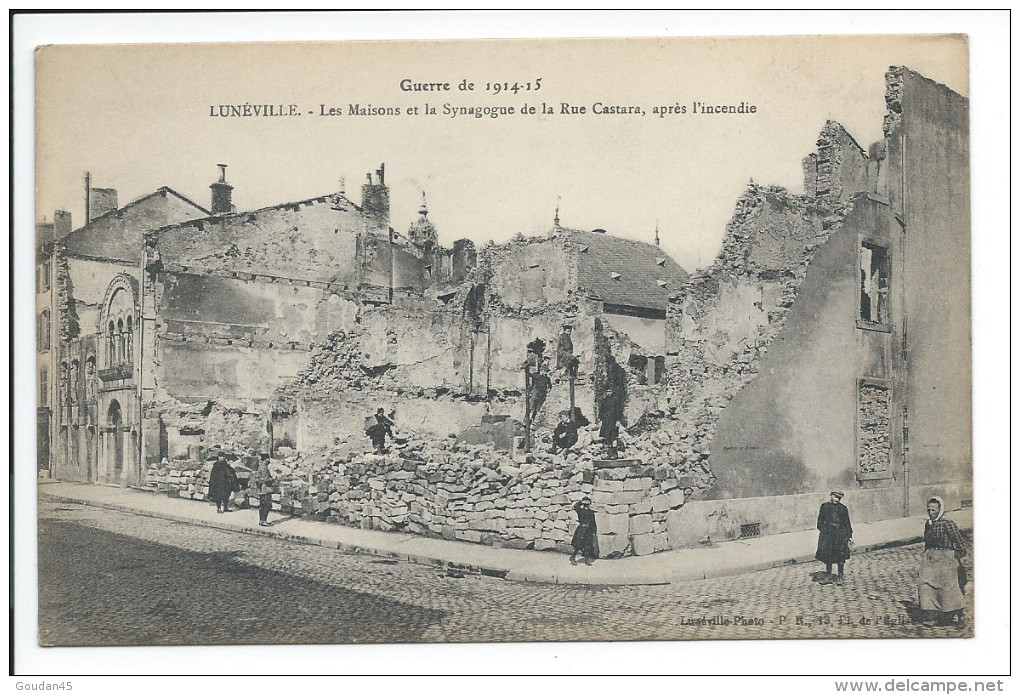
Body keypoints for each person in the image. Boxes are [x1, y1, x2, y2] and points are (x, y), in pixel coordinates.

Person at [918, 496, 968, 627]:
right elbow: (927, 543)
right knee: (926, 586)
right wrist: (926, 555)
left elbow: (959, 542)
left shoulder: (947, 524)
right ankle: (932, 615)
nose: (930, 513)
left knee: (948, 588)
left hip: (946, 557)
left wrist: (955, 556)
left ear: (940, 510)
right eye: (929, 510)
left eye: (933, 510)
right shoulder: (928, 525)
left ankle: (960, 616)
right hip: (931, 557)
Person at [815, 490, 853, 585]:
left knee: (841, 555)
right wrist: (824, 530)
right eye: (835, 497)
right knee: (828, 555)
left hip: (840, 535)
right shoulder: (824, 507)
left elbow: (847, 523)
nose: (837, 499)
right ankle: (828, 575)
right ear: (831, 496)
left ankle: (840, 575)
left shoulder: (843, 508)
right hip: (828, 535)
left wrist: (849, 535)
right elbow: (820, 521)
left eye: (839, 498)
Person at [569, 497, 599, 566]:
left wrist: (594, 531)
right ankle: (573, 557)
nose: (586, 506)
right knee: (578, 544)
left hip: (589, 530)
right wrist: (581, 501)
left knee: (588, 545)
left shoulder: (591, 512)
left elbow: (593, 522)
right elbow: (576, 506)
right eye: (585, 504)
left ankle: (587, 560)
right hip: (581, 529)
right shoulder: (580, 511)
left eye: (587, 504)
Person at [251, 454, 274, 527]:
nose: (269, 460)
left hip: (262, 489)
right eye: (268, 458)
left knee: (263, 505)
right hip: (265, 489)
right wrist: (273, 478)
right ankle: (263, 521)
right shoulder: (264, 468)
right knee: (266, 505)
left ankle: (262, 520)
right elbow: (265, 479)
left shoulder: (261, 467)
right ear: (265, 459)